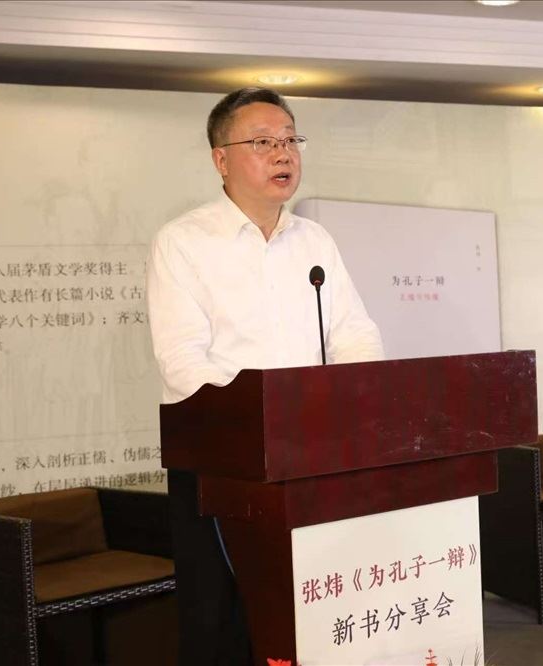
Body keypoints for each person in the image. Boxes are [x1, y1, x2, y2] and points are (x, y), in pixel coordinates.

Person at [146, 87, 384, 665]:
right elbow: (182, 360)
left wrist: (353, 403)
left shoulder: (314, 240)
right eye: (262, 142)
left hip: (311, 455)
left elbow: (355, 334)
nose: (283, 153)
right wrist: (264, 423)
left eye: (290, 139)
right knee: (224, 620)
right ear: (220, 159)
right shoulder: (182, 242)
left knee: (313, 610)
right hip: (221, 461)